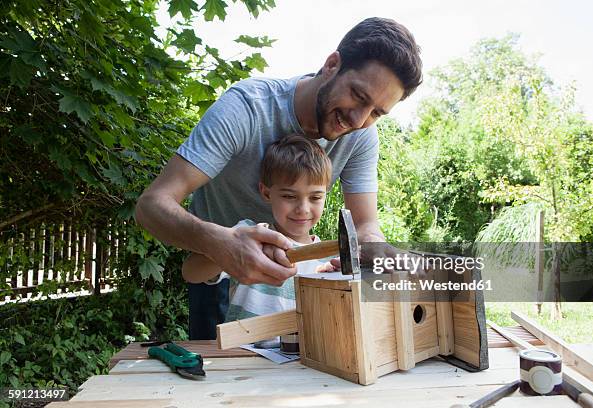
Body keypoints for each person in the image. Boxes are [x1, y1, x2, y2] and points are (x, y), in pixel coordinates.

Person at [135, 17, 423, 339]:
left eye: (376, 113)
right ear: (332, 65)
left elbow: (365, 226)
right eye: (358, 95)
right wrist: (220, 245)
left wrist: (377, 252)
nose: (358, 119)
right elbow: (152, 205)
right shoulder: (247, 108)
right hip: (218, 273)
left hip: (295, 288)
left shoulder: (362, 137)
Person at [182, 135, 334, 322]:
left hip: (300, 352)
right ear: (266, 192)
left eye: (315, 197)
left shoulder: (330, 263)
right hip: (241, 350)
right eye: (289, 196)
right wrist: (228, 251)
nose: (303, 209)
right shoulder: (248, 236)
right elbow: (191, 273)